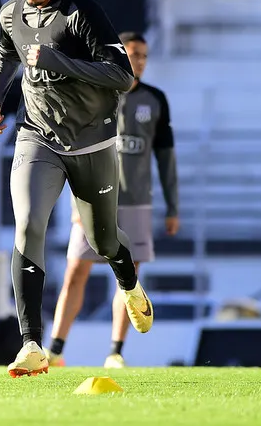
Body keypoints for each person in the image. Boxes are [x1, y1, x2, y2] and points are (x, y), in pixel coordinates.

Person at [0, 0, 154, 378]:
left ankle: (130, 286)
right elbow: (6, 54)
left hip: (92, 142)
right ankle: (32, 344)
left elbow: (121, 75)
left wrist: (58, 61)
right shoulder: (11, 13)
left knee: (102, 240)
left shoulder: (83, 12)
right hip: (37, 136)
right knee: (28, 223)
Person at [45, 32, 179, 368]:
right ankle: (56, 350)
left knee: (129, 276)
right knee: (76, 270)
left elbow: (166, 156)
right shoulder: (94, 93)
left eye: (144, 56)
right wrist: (76, 204)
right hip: (93, 199)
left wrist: (173, 206)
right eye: (133, 54)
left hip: (136, 202)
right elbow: (72, 152)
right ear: (118, 55)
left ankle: (116, 352)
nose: (139, 62)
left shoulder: (156, 100)